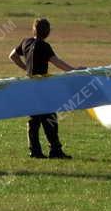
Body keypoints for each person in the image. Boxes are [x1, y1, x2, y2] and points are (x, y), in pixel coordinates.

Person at [9, 17, 80, 159]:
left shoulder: (25, 42)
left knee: (34, 120)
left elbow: (12, 56)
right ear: (47, 32)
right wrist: (74, 71)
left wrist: (26, 68)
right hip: (43, 87)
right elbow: (57, 62)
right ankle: (55, 150)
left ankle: (35, 151)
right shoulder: (45, 46)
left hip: (30, 86)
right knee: (50, 119)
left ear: (33, 29)